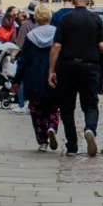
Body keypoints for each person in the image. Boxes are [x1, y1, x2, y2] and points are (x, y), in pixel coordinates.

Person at [48, 0, 103, 156]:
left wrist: (51, 70)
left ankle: (72, 145)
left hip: (67, 66)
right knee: (90, 105)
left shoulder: (65, 19)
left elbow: (57, 46)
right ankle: (90, 130)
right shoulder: (95, 19)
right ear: (88, 2)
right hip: (89, 66)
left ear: (73, 1)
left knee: (67, 108)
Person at [19, 11, 61, 150]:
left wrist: (16, 80)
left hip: (34, 77)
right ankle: (52, 127)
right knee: (54, 107)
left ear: (36, 18)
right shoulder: (57, 33)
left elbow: (24, 60)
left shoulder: (31, 36)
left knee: (37, 110)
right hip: (53, 75)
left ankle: (43, 141)